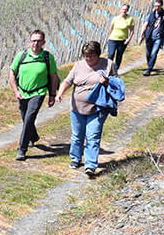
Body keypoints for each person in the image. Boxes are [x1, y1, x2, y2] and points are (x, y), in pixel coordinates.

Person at [55, 41, 118, 178]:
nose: (89, 59)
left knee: (93, 136)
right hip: (77, 108)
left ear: (98, 54)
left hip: (98, 109)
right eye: (86, 56)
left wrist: (107, 82)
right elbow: (68, 81)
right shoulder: (78, 65)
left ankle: (90, 165)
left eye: (92, 56)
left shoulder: (108, 65)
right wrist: (60, 93)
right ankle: (75, 158)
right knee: (77, 135)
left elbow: (116, 84)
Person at [8, 29, 58, 161]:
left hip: (39, 92)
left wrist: (52, 95)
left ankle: (22, 149)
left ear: (43, 42)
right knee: (26, 118)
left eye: (38, 41)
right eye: (33, 41)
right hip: (22, 93)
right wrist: (16, 91)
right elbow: (12, 74)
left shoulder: (48, 57)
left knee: (29, 118)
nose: (35, 43)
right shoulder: (21, 56)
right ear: (29, 42)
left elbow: (53, 77)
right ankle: (33, 136)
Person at [142, 0, 164, 76]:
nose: (157, 7)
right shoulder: (151, 14)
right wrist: (141, 35)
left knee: (154, 53)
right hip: (149, 36)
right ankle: (150, 64)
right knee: (148, 53)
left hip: (159, 37)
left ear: (161, 6)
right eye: (155, 6)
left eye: (158, 6)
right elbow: (145, 24)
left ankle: (149, 69)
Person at [105, 4, 135, 70]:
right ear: (120, 9)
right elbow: (111, 28)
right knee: (111, 54)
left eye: (125, 9)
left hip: (123, 40)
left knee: (119, 55)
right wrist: (109, 37)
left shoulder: (130, 19)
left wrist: (128, 39)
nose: (124, 11)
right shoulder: (115, 18)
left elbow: (132, 31)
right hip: (113, 39)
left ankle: (115, 70)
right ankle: (108, 69)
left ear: (127, 10)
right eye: (123, 9)